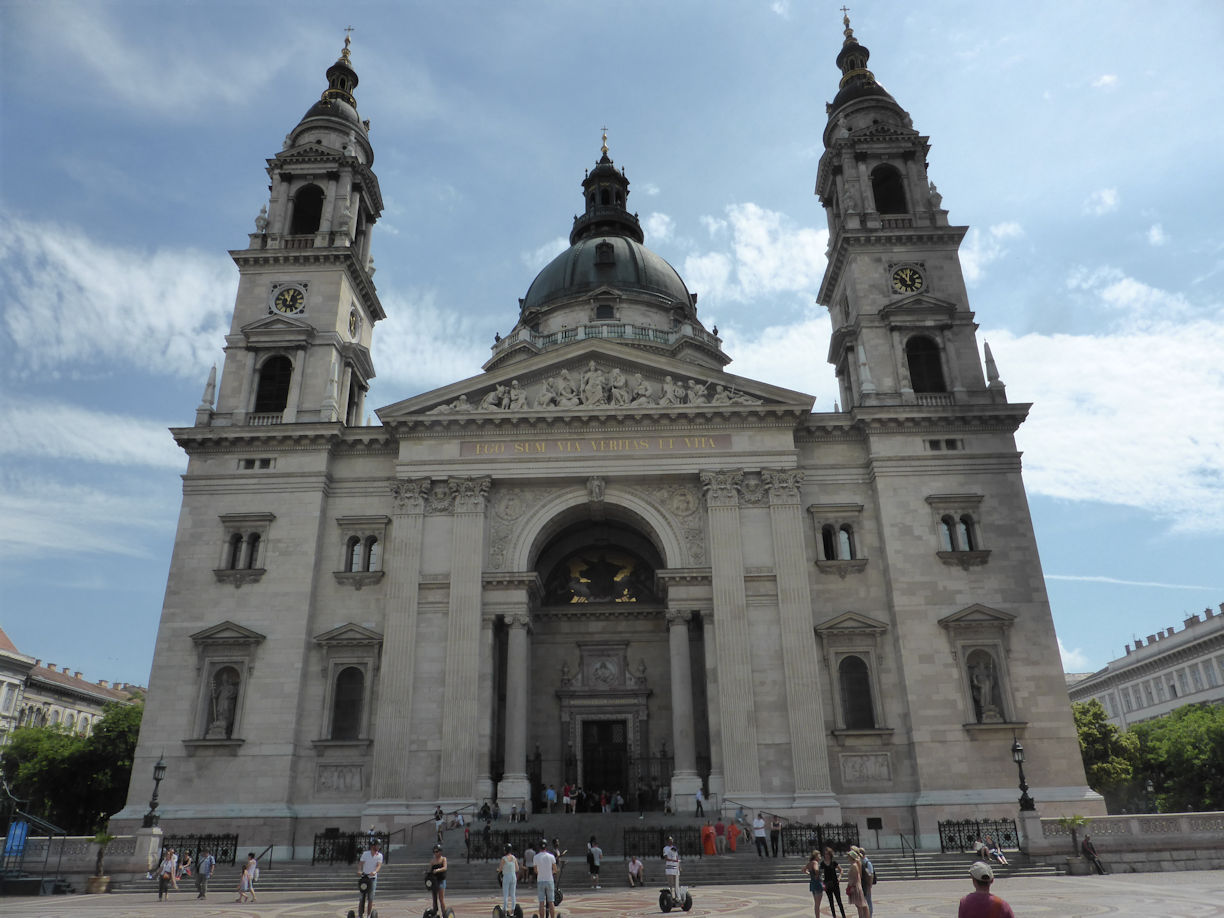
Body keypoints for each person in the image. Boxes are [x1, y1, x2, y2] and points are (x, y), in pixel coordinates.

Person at [357, 838, 383, 917]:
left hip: (372, 879)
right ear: (373, 846)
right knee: (361, 897)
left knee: (370, 898)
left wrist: (375, 872)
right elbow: (361, 864)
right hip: (364, 877)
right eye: (377, 845)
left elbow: (379, 866)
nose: (378, 847)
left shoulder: (379, 855)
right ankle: (360, 915)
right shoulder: (365, 854)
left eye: (379, 845)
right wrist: (359, 870)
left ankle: (368, 915)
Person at [535, 842, 558, 918]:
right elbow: (555, 869)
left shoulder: (536, 857)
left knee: (541, 902)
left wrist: (541, 872)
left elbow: (535, 870)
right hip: (549, 880)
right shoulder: (551, 856)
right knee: (551, 901)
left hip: (540, 880)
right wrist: (550, 872)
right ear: (546, 847)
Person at [821, 847, 846, 918]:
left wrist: (839, 877)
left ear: (830, 855)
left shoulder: (834, 862)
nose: (826, 856)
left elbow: (841, 870)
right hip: (827, 884)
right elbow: (820, 873)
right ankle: (834, 916)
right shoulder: (822, 863)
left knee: (839, 901)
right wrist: (822, 880)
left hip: (835, 883)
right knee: (831, 902)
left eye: (828, 854)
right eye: (825, 854)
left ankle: (843, 916)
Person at [844, 848, 869, 918]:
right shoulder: (854, 865)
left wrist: (852, 886)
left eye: (849, 856)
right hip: (853, 885)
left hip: (855, 886)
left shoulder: (854, 866)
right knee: (858, 904)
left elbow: (855, 877)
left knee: (859, 904)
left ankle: (861, 916)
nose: (848, 858)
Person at [428, 844, 449, 917]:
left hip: (441, 880)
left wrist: (438, 870)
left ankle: (444, 914)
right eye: (434, 852)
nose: (436, 853)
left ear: (440, 852)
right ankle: (434, 911)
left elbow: (445, 868)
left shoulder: (443, 859)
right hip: (434, 881)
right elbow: (430, 870)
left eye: (437, 851)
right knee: (434, 898)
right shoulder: (432, 861)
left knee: (441, 898)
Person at [853, 846, 875, 917]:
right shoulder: (861, 862)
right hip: (862, 884)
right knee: (864, 901)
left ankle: (869, 915)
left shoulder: (867, 863)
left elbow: (871, 875)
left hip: (866, 885)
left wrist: (869, 886)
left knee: (868, 901)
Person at [802, 848, 824, 918]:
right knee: (818, 904)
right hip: (817, 883)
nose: (820, 857)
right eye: (819, 855)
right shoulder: (815, 862)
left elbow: (803, 869)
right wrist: (817, 875)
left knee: (816, 903)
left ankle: (817, 916)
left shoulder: (810, 863)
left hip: (812, 883)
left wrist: (808, 873)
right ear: (815, 856)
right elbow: (816, 869)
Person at [499, 844, 519, 915]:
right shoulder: (514, 858)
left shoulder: (504, 858)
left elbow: (500, 868)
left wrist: (498, 870)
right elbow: (517, 868)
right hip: (513, 876)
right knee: (513, 894)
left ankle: (504, 910)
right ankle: (513, 911)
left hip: (506, 876)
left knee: (506, 894)